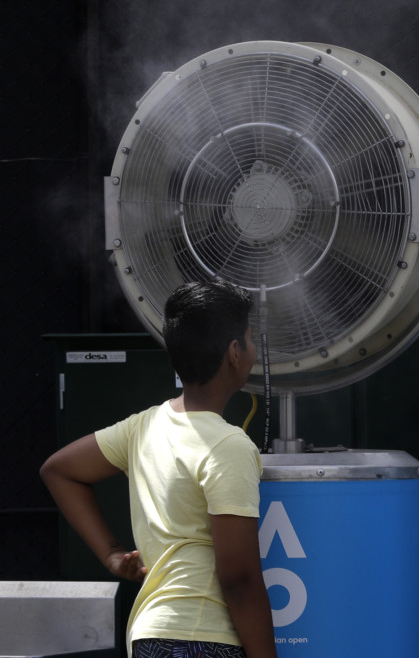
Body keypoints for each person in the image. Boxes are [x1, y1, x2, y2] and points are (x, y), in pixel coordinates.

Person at [40, 280, 277, 658]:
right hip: (201, 639)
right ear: (235, 352)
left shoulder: (144, 426)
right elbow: (239, 579)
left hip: (150, 635)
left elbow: (59, 470)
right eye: (249, 339)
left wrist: (113, 556)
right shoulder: (229, 446)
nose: (252, 350)